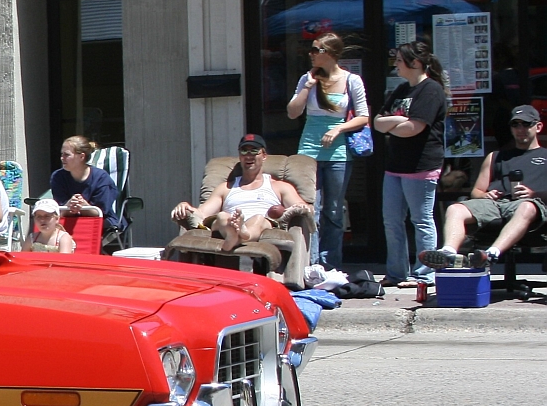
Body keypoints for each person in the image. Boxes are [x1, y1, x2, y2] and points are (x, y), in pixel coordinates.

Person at [420, 105, 547, 270]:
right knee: (456, 209)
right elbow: (476, 191)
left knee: (526, 207)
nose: (520, 129)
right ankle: (448, 253)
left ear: (538, 127)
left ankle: (491, 254)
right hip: (495, 204)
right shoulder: (496, 156)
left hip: (531, 206)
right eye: (515, 125)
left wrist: (534, 193)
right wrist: (486, 195)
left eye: (526, 124)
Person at [287, 33, 369, 269]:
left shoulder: (352, 80)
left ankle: (330, 264)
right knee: (312, 209)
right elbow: (292, 112)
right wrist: (308, 87)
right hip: (309, 149)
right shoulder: (307, 78)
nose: (311, 54)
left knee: (333, 210)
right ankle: (310, 263)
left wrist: (339, 129)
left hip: (338, 152)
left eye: (316, 50)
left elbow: (363, 117)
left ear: (330, 54)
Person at [373, 41, 449, 287]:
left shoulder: (431, 90)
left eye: (399, 61)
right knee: (391, 220)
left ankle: (425, 273)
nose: (395, 65)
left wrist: (393, 123)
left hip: (421, 166)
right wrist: (398, 120)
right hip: (395, 165)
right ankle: (396, 272)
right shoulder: (402, 89)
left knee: (421, 219)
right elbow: (377, 122)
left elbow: (414, 128)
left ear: (414, 63)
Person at [169, 135, 310, 252]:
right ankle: (234, 233)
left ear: (264, 155)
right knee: (223, 216)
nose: (248, 155)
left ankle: (240, 235)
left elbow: (304, 208)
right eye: (244, 151)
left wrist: (291, 209)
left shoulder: (279, 187)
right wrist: (185, 206)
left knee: (259, 219)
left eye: (254, 150)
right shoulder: (225, 188)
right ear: (240, 156)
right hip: (229, 224)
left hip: (259, 223)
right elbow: (202, 213)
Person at [50, 136, 122, 251]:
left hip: (99, 220)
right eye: (61, 154)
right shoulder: (58, 177)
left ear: (81, 157)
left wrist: (84, 206)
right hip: (68, 219)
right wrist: (69, 205)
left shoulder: (101, 178)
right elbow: (59, 208)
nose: (62, 158)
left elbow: (102, 211)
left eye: (66, 155)